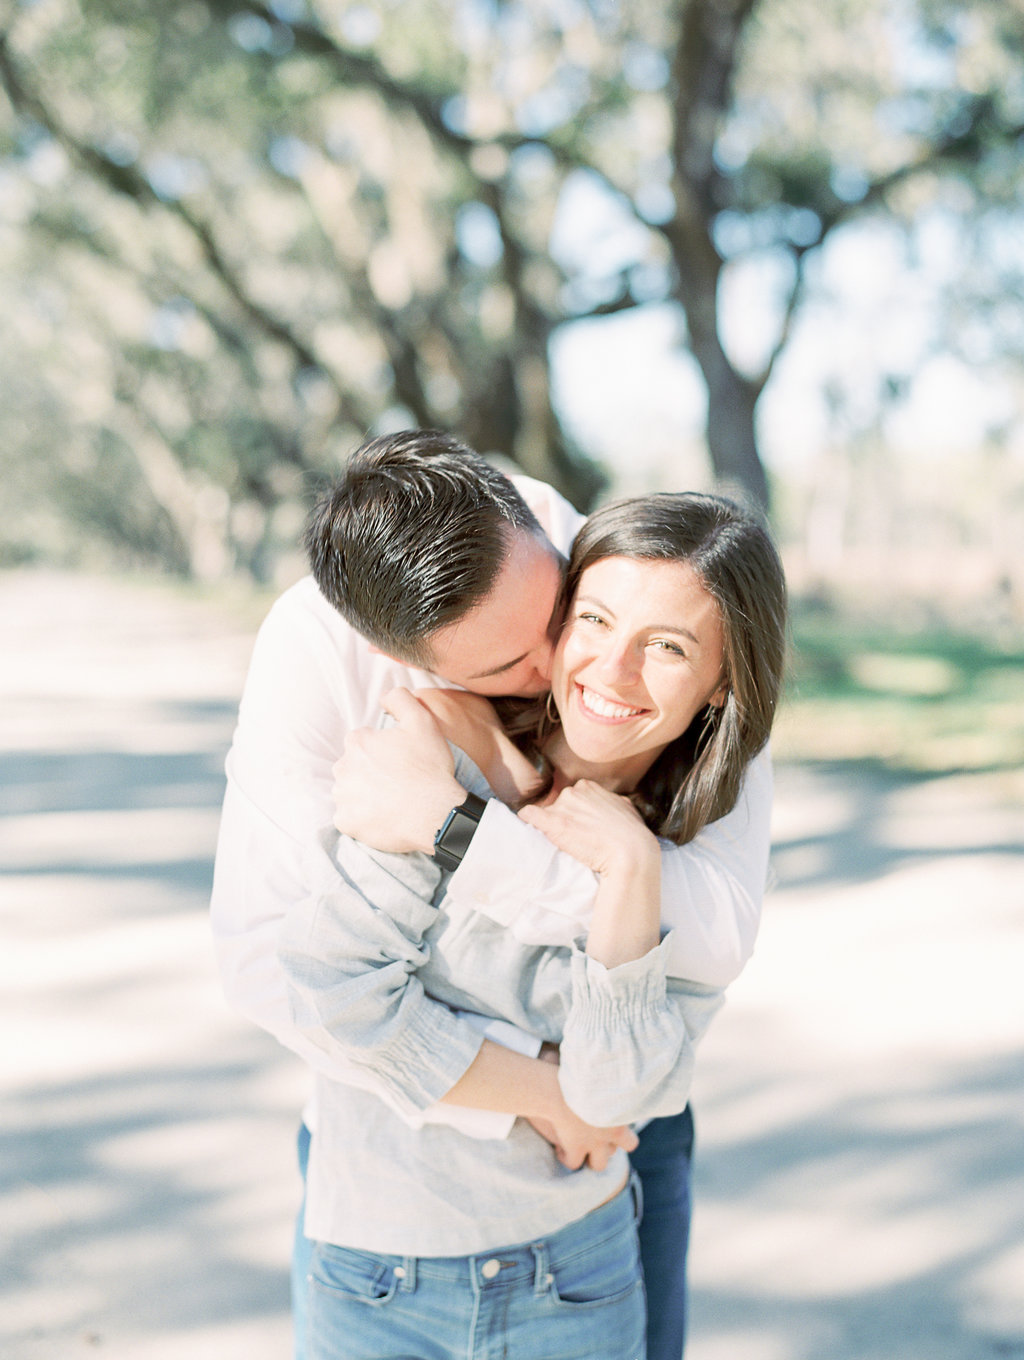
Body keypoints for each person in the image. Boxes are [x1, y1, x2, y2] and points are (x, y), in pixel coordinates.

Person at [209, 431, 775, 1358]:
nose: (566, 670)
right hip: (399, 1183)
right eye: (507, 668)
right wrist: (545, 1092)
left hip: (610, 1158)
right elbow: (278, 970)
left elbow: (712, 936)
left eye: (562, 615)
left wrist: (491, 818)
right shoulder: (330, 663)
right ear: (418, 665)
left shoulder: (639, 581)